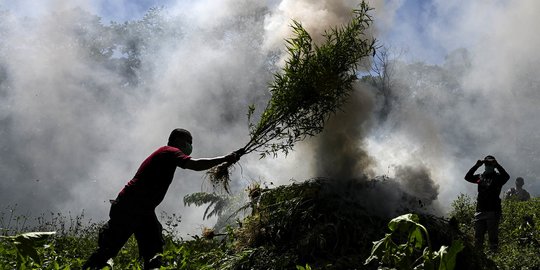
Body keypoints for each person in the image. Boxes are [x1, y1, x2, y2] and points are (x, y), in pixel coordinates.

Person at [82, 128, 243, 269]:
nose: (190, 146)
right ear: (177, 140)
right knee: (108, 250)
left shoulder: (167, 155)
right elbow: (194, 164)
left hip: (142, 209)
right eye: (189, 142)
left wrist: (226, 160)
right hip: (130, 206)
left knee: (154, 250)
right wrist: (224, 158)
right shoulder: (169, 151)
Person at [464, 155, 510, 252]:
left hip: (493, 211)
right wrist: (476, 166)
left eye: (490, 164)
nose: (488, 165)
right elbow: (467, 177)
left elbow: (506, 176)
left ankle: (494, 257)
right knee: (478, 238)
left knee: (492, 238)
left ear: (493, 165)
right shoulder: (480, 177)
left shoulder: (498, 178)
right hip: (480, 211)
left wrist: (497, 165)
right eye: (486, 164)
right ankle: (479, 259)